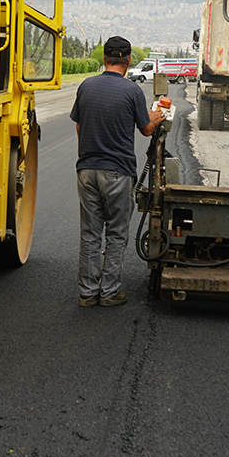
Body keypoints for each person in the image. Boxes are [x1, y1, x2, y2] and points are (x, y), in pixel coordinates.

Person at [70, 36, 168, 307]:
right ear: (127, 61)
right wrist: (156, 117)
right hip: (118, 173)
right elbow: (147, 129)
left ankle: (87, 293)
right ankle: (109, 292)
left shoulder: (86, 86)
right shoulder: (133, 91)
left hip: (87, 170)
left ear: (104, 59)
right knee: (116, 232)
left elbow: (79, 127)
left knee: (90, 232)